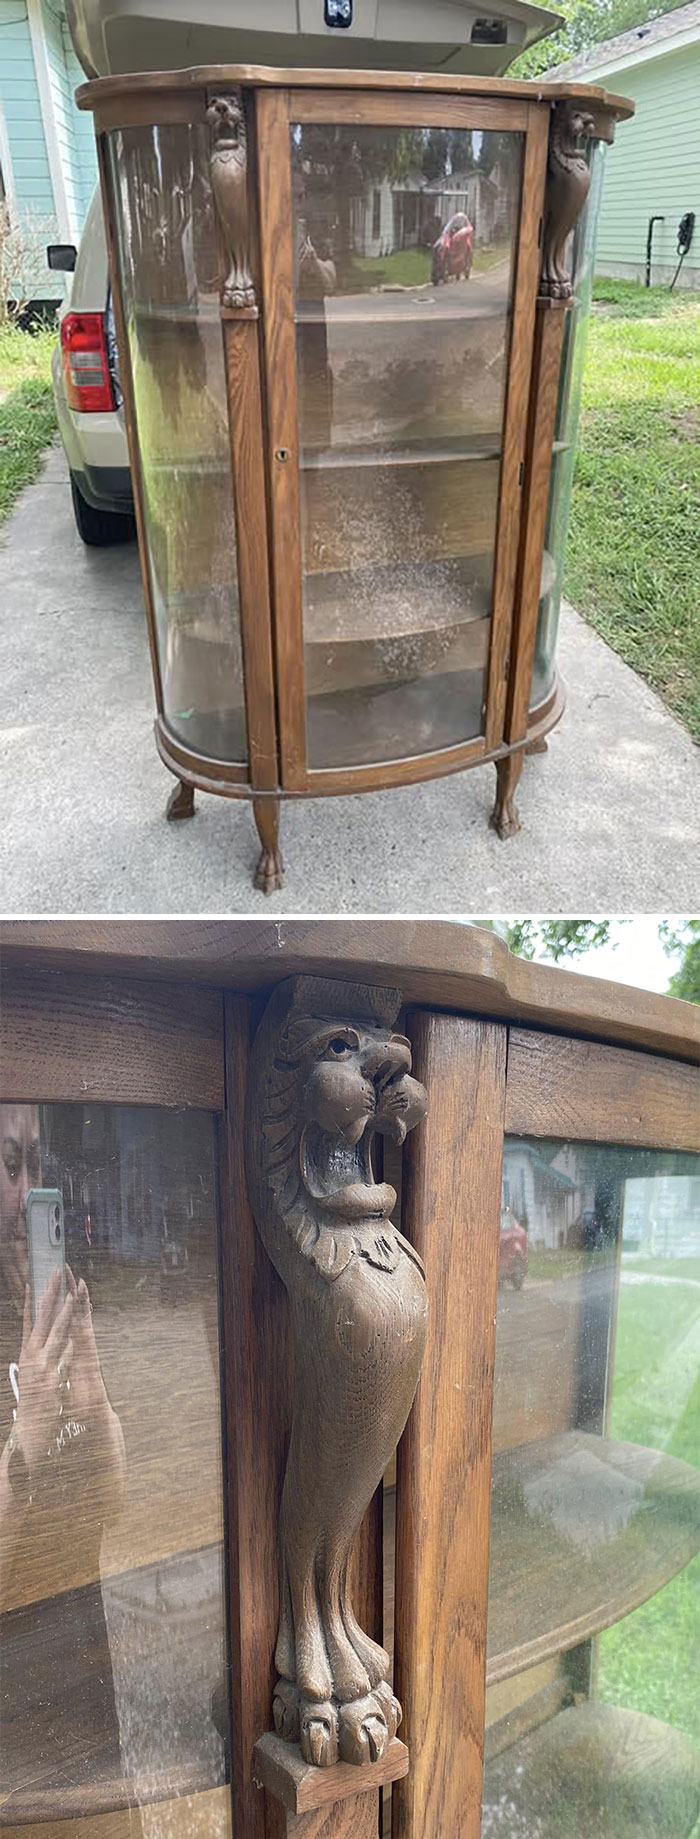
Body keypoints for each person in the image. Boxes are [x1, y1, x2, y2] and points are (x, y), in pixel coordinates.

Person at [0, 1103, 128, 1813]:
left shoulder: (63, 1301)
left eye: (38, 1163)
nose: (30, 1194)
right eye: (12, 1165)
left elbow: (113, 1501)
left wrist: (94, 1406)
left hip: (91, 1707)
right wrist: (27, 1442)